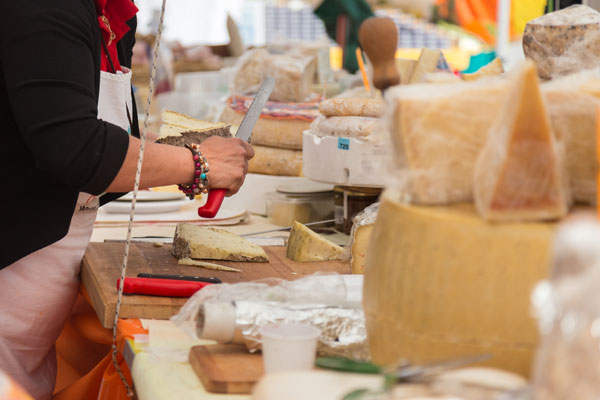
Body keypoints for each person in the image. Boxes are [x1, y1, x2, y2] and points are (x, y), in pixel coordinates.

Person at [0, 1, 254, 399]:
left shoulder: (115, 13)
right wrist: (197, 163)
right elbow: (77, 150)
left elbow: (103, 145)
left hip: (33, 300)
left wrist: (179, 158)